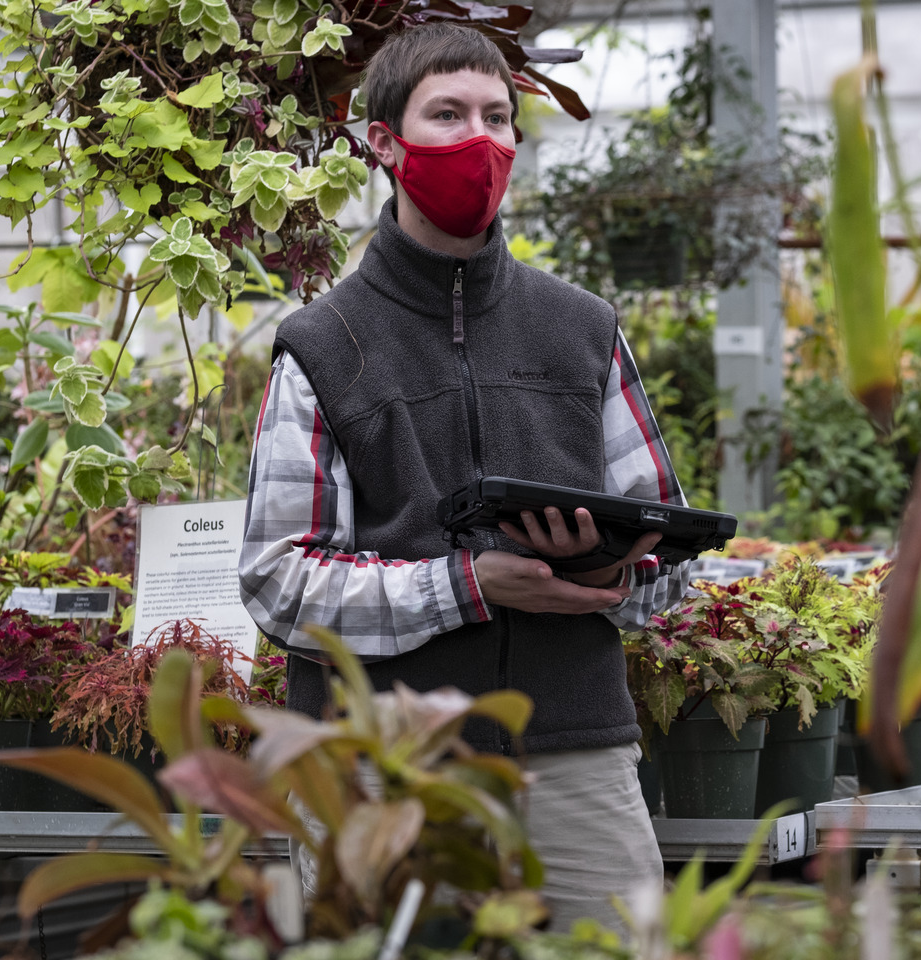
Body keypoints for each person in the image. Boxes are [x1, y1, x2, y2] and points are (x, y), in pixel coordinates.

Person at [238, 22, 691, 932]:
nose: (478, 140)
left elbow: (671, 560)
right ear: (383, 143)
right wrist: (467, 585)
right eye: (446, 115)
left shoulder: (583, 329)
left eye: (497, 116)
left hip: (570, 754)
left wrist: (606, 576)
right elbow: (281, 581)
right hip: (381, 763)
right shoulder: (325, 346)